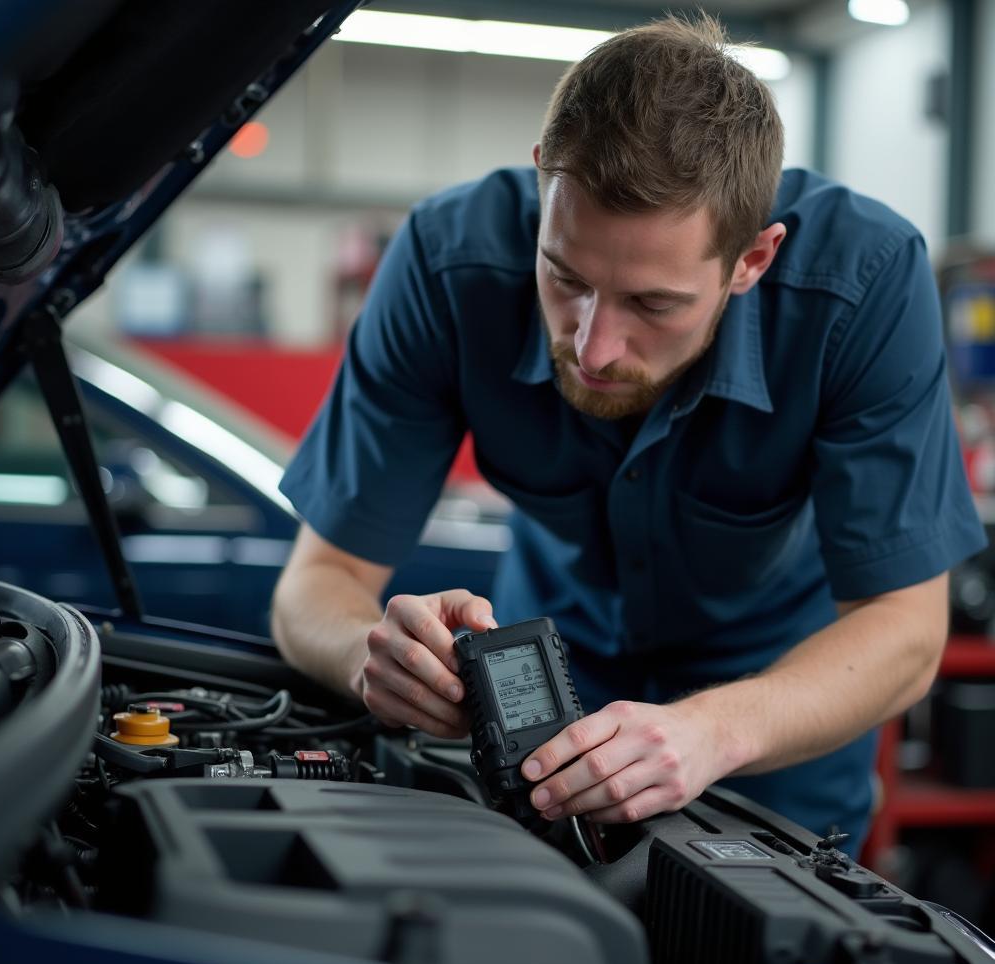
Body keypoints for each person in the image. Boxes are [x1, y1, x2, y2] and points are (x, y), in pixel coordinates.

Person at [271, 14, 985, 853]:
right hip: (540, 716)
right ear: (544, 186)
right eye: (564, 278)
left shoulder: (864, 286)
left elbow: (906, 629)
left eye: (653, 304)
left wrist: (713, 731)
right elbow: (311, 587)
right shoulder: (444, 263)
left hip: (772, 722)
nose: (592, 346)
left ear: (753, 260)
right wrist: (368, 653)